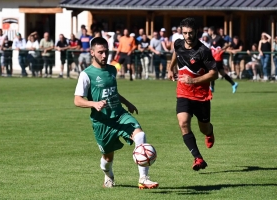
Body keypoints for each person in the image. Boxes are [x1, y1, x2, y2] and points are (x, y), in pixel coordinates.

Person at [74, 37, 159, 189]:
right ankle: (108, 175)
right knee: (107, 157)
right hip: (102, 122)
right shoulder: (86, 74)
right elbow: (77, 100)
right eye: (100, 52)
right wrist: (94, 103)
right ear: (92, 52)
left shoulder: (112, 69)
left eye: (106, 52)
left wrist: (127, 103)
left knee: (140, 135)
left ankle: (144, 178)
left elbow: (113, 92)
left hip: (120, 115)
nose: (105, 55)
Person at [168, 18, 218, 171]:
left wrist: (194, 80)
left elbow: (214, 74)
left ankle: (209, 132)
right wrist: (171, 68)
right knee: (183, 123)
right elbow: (176, 54)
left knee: (204, 128)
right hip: (183, 92)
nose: (188, 36)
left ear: (196, 31)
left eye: (190, 33)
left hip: (201, 96)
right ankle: (198, 158)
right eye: (185, 33)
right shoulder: (177, 43)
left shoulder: (203, 51)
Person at [208, 26, 238, 93]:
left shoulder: (218, 38)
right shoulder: (210, 39)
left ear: (212, 31)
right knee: (222, 73)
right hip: (213, 58)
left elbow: (227, 44)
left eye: (209, 31)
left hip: (218, 58)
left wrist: (221, 49)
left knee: (212, 71)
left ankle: (212, 87)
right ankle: (233, 84)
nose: (208, 32)